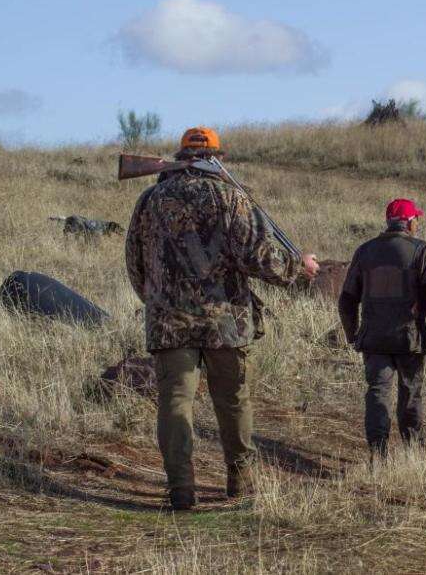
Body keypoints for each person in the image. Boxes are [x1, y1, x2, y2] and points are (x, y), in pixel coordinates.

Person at [125, 126, 320, 511]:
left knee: (175, 402)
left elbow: (135, 261)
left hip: (170, 322)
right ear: (216, 157)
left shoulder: (150, 200)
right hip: (226, 322)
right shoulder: (231, 197)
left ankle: (181, 487)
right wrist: (300, 269)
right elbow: (258, 257)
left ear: (181, 157)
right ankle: (240, 479)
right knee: (232, 401)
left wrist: (157, 300)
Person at [338, 199, 426, 460]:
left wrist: (353, 334)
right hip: (409, 339)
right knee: (410, 393)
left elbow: (347, 300)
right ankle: (414, 449)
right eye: (416, 219)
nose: (417, 223)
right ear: (409, 222)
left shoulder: (365, 251)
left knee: (377, 393)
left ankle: (378, 452)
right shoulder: (421, 251)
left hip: (373, 339)